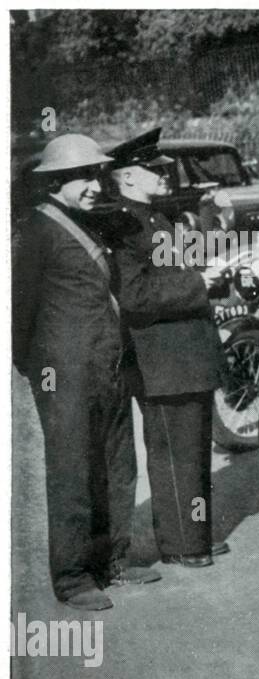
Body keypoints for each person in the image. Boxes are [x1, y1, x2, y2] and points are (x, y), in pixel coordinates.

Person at [12, 134, 142, 609]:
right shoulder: (39, 231)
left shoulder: (83, 220)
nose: (93, 185)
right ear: (55, 182)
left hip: (105, 365)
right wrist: (41, 369)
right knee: (72, 472)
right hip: (65, 373)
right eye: (82, 177)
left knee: (115, 464)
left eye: (96, 175)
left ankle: (113, 561)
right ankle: (71, 578)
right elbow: (18, 314)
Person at [106, 128, 229, 569]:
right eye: (153, 168)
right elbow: (135, 298)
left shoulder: (152, 218)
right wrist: (199, 283)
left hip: (181, 356)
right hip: (162, 359)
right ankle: (180, 544)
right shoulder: (125, 224)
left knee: (193, 450)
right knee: (175, 453)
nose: (164, 173)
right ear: (128, 178)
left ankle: (193, 535)